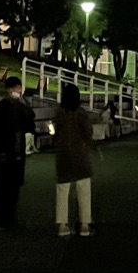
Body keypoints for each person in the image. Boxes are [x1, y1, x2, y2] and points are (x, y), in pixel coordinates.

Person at [52, 81, 95, 237]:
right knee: (84, 191)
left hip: (63, 157)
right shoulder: (82, 114)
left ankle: (62, 225)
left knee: (62, 191)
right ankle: (84, 224)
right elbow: (88, 134)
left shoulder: (59, 113)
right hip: (80, 157)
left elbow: (55, 134)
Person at [0, 75, 34, 228]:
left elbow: (30, 122)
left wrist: (25, 103)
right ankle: (0, 218)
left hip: (17, 153)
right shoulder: (2, 108)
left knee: (14, 188)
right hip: (5, 154)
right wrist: (0, 152)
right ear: (9, 90)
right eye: (16, 88)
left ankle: (9, 217)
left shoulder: (19, 108)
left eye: (19, 88)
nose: (18, 91)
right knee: (3, 187)